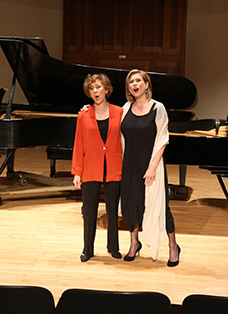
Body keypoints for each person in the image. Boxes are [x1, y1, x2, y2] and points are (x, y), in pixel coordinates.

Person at [120, 69, 181, 267]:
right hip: (129, 164)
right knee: (132, 204)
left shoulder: (158, 108)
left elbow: (163, 139)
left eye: (138, 81)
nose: (134, 84)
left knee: (160, 206)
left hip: (151, 165)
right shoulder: (125, 108)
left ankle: (173, 246)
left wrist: (152, 167)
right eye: (131, 82)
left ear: (147, 85)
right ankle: (134, 243)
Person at [72, 74, 123, 262]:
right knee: (89, 211)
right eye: (92, 88)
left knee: (112, 210)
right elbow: (79, 144)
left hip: (114, 167)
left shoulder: (120, 112)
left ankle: (114, 247)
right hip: (90, 168)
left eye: (99, 87)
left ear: (106, 90)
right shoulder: (83, 115)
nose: (95, 91)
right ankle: (88, 248)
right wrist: (77, 171)